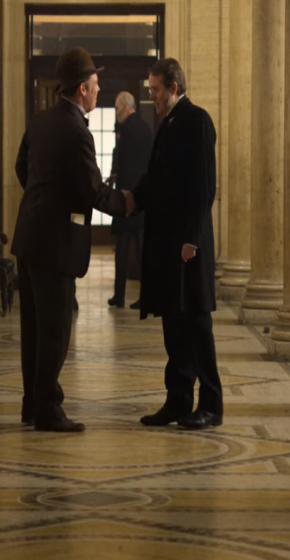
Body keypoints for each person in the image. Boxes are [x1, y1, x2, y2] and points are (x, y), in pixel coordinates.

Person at [11, 47, 131, 432]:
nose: (99, 90)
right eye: (96, 84)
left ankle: (32, 403)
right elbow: (92, 191)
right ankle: (48, 408)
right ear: (82, 88)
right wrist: (125, 205)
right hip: (54, 245)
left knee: (32, 328)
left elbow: (21, 167)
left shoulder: (41, 121)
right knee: (56, 329)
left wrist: (43, 199)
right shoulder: (78, 130)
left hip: (28, 238)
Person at [125, 58, 223, 430]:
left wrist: (191, 240)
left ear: (174, 88)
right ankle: (178, 400)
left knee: (197, 326)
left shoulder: (197, 120)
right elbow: (157, 178)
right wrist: (132, 198)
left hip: (187, 245)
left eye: (155, 90)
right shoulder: (168, 123)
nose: (151, 97)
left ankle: (211, 404)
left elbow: (204, 187)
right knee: (174, 325)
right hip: (168, 244)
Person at [108, 92, 154, 309]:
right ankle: (147, 295)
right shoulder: (147, 128)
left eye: (117, 110)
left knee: (122, 249)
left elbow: (123, 163)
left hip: (129, 198)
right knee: (144, 250)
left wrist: (121, 194)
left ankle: (119, 295)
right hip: (144, 197)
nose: (117, 114)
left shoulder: (124, 130)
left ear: (126, 107)